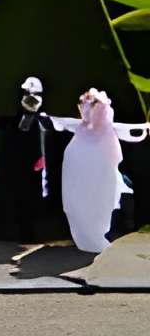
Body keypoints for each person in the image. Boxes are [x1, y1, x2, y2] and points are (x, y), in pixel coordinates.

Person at [0, 76, 71, 241]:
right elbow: (4, 122)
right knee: (6, 198)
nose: (30, 98)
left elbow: (50, 143)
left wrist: (43, 160)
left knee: (27, 202)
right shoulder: (17, 118)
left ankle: (26, 235)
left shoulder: (44, 122)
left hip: (30, 171)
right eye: (27, 93)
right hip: (12, 165)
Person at [63, 87, 147, 252]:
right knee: (90, 204)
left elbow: (126, 134)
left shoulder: (101, 129)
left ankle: (101, 234)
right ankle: (93, 235)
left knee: (104, 203)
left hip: (100, 175)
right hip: (86, 177)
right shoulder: (83, 130)